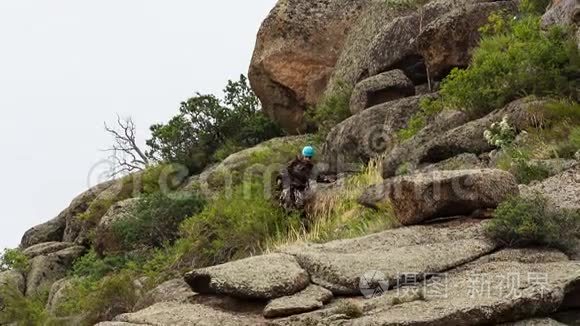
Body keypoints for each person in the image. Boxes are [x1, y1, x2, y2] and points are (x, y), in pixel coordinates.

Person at [277, 146, 316, 210]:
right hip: (290, 187)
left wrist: (325, 179)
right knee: (287, 200)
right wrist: (280, 178)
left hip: (299, 188)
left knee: (299, 204)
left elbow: (315, 177)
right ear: (303, 155)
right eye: (306, 157)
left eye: (309, 157)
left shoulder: (310, 167)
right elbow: (285, 170)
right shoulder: (294, 162)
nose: (308, 159)